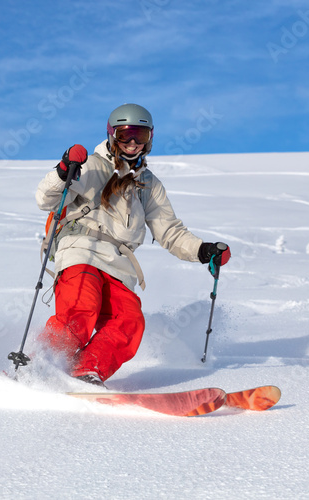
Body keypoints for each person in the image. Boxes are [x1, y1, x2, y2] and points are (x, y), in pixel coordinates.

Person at [35, 103, 230, 386]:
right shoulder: (90, 165)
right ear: (112, 135)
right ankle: (40, 366)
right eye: (126, 134)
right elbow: (45, 199)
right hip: (81, 252)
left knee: (129, 322)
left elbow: (170, 231)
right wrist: (64, 170)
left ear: (150, 138)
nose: (133, 143)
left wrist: (203, 251)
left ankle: (86, 371)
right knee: (81, 309)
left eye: (141, 135)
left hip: (119, 266)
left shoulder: (149, 184)